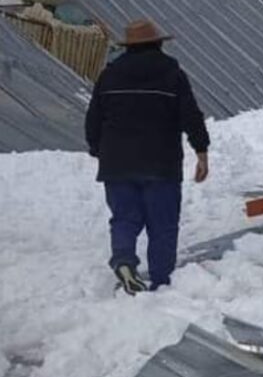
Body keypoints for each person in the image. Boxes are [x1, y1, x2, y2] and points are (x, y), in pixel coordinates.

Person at [85, 19, 210, 294]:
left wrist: (98, 149)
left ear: (128, 47)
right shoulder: (172, 74)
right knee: (162, 224)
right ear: (158, 43)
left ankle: (124, 261)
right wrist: (201, 151)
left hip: (117, 164)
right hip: (161, 163)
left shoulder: (109, 76)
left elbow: (93, 118)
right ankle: (161, 281)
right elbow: (190, 115)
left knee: (124, 218)